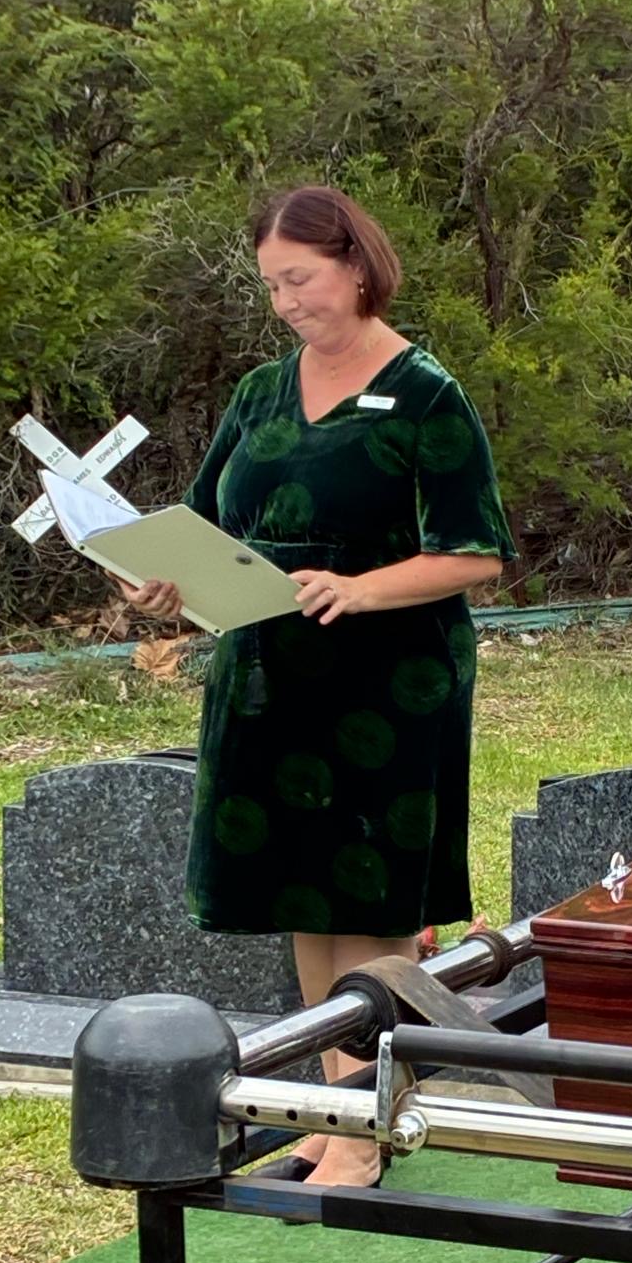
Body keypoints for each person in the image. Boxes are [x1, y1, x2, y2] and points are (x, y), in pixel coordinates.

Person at [119, 185, 516, 1191]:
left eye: (299, 279)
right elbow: (209, 524)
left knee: (372, 897)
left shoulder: (427, 392)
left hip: (389, 682)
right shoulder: (258, 393)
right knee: (306, 891)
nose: (287, 302)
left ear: (355, 264)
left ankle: (373, 1128)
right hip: (269, 676)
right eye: (272, 286)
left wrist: (358, 586)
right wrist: (165, 581)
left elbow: (474, 554)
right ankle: (338, 1107)